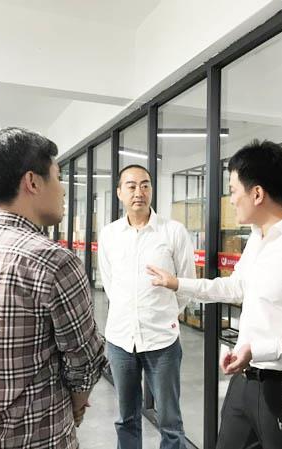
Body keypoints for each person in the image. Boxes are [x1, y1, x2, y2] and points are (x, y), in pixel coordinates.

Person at [148, 140, 282, 449]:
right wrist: (178, 283)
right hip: (244, 381)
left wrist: (258, 350)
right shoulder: (259, 238)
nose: (231, 199)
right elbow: (236, 286)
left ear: (257, 194)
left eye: (233, 190)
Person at [0, 127, 107, 449]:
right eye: (58, 177)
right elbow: (84, 363)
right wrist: (77, 406)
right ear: (33, 182)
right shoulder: (54, 262)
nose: (63, 191)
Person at [98, 164, 196, 449]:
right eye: (131, 186)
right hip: (120, 340)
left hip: (161, 341)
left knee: (170, 421)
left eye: (145, 185)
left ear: (152, 190)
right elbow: (110, 283)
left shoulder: (173, 232)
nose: (138, 192)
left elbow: (185, 283)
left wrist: (163, 314)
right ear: (119, 192)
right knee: (126, 418)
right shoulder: (109, 234)